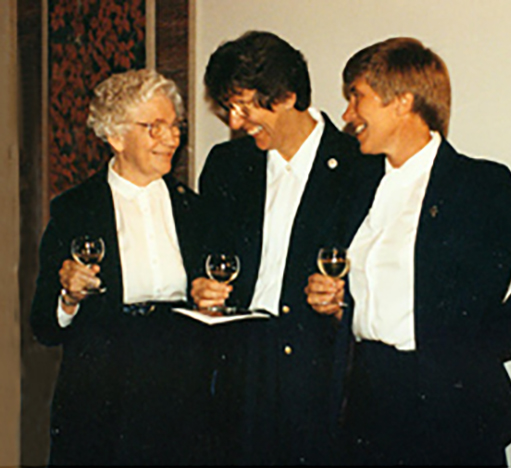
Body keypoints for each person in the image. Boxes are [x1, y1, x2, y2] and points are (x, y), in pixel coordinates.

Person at [306, 37, 511, 466]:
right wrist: (341, 305)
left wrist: (489, 343)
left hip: (448, 411)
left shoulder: (476, 186)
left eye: (357, 98)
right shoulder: (359, 184)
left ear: (403, 102)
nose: (347, 114)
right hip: (367, 401)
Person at [192, 31, 382, 465]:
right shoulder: (226, 166)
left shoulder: (362, 167)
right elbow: (206, 259)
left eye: (245, 106)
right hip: (238, 367)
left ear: (287, 96)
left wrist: (341, 299)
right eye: (229, 108)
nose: (235, 122)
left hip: (318, 373)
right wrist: (202, 288)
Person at [30, 69, 212, 466]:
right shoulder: (74, 210)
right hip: (102, 389)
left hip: (180, 386)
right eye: (154, 127)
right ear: (115, 137)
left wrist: (210, 298)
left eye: (175, 125)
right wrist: (68, 296)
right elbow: (43, 324)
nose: (171, 138)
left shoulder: (195, 209)